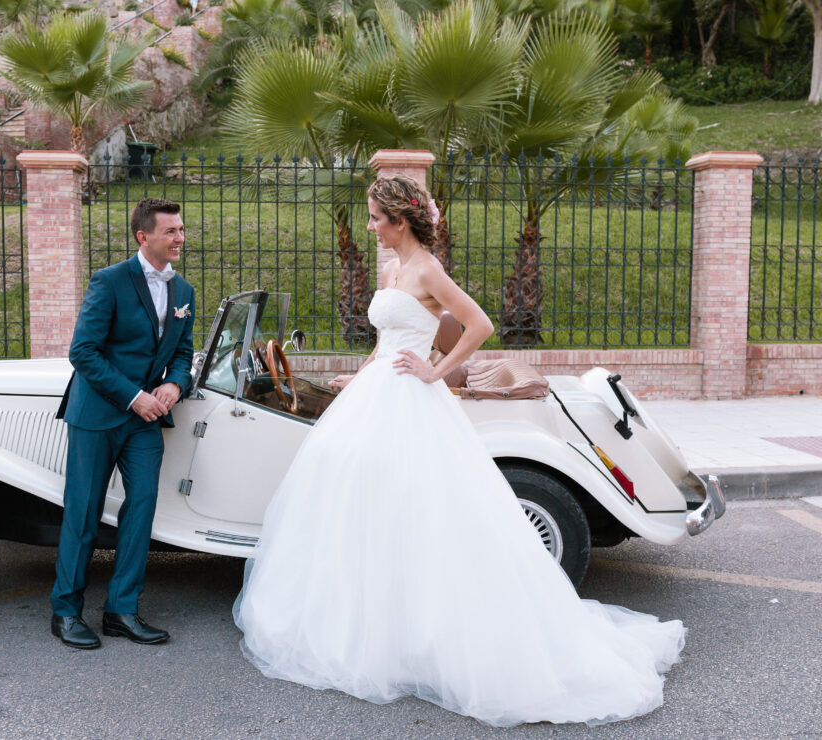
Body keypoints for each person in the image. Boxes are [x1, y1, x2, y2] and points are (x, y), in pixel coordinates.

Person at [232, 175, 686, 727]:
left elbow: (479, 325)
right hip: (377, 393)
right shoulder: (393, 268)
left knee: (425, 505)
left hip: (412, 400)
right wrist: (359, 375)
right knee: (362, 492)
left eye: (375, 217)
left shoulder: (426, 269)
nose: (370, 225)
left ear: (399, 221)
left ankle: (430, 628)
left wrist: (435, 372)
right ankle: (380, 619)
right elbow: (385, 341)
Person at [50, 198, 196, 650]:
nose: (179, 237)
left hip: (147, 420)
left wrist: (174, 386)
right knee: (84, 510)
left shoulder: (183, 291)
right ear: (143, 236)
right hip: (99, 414)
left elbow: (182, 353)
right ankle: (66, 612)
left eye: (181, 229)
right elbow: (83, 351)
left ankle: (121, 609)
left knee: (142, 507)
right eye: (170, 230)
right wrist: (134, 397)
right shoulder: (109, 281)